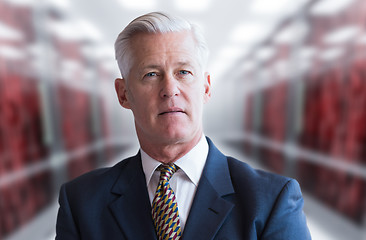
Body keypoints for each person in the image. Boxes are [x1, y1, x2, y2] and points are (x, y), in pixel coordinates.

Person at [55, 12, 311, 240]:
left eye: (184, 72)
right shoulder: (82, 203)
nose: (169, 90)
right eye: (151, 74)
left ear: (206, 87)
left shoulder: (271, 201)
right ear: (123, 94)